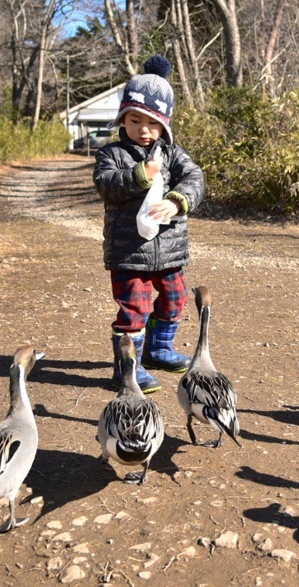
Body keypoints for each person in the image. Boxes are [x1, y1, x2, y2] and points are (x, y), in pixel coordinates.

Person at [93, 55, 205, 393]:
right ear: (122, 120)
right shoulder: (111, 154)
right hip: (130, 252)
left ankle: (159, 349)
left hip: (170, 250)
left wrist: (177, 201)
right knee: (134, 309)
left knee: (175, 298)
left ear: (165, 126)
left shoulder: (171, 153)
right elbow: (107, 184)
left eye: (153, 123)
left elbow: (195, 178)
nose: (144, 129)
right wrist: (141, 175)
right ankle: (128, 368)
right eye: (135, 120)